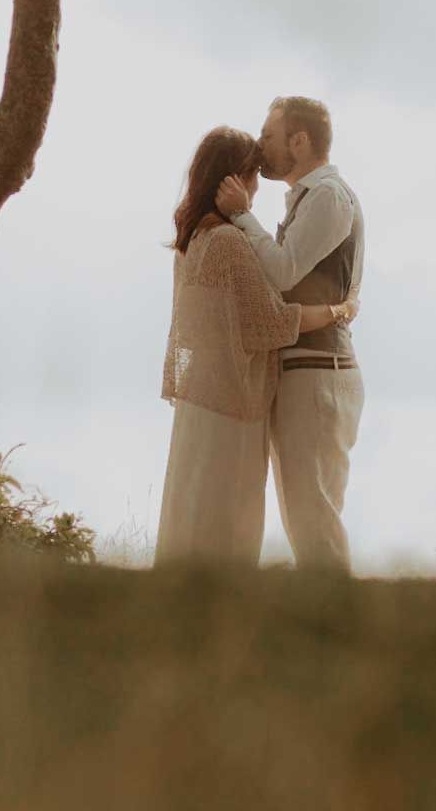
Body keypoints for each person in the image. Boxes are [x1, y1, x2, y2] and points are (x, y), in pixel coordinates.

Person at [154, 126, 355, 564]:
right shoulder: (228, 241)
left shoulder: (192, 241)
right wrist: (340, 310)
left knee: (190, 506)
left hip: (199, 400)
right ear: (234, 179)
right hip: (231, 402)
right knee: (227, 517)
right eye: (252, 175)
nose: (257, 187)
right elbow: (271, 321)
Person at [215, 96, 365, 570]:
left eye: (269, 136)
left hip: (320, 373)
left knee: (313, 514)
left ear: (300, 140)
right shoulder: (310, 196)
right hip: (306, 370)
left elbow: (281, 274)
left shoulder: (327, 196)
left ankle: (339, 624)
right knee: (305, 514)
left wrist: (242, 215)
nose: (261, 146)